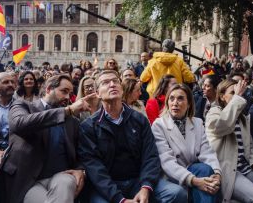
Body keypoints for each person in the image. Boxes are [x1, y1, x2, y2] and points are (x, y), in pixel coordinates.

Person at [78, 70, 186, 203]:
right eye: (105, 82)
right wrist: (119, 199)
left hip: (138, 180)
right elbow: (94, 168)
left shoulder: (139, 119)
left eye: (115, 81)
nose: (112, 85)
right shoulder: (88, 126)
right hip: (108, 186)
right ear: (98, 93)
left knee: (177, 193)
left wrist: (146, 187)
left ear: (122, 89)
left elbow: (150, 155)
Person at [0, 74, 93, 203]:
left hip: (62, 176)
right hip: (28, 180)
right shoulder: (23, 106)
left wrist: (81, 170)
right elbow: (19, 124)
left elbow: (81, 152)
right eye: (64, 91)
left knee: (66, 182)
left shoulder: (72, 121)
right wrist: (67, 110)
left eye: (70, 93)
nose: (67, 97)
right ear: (48, 89)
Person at [152, 84, 222, 203]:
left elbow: (206, 152)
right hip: (172, 176)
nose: (175, 103)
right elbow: (167, 162)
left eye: (180, 98)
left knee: (206, 170)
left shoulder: (198, 123)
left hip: (194, 170)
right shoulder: (159, 125)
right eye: (171, 98)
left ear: (189, 103)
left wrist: (217, 173)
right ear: (167, 102)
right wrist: (194, 180)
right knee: (204, 172)